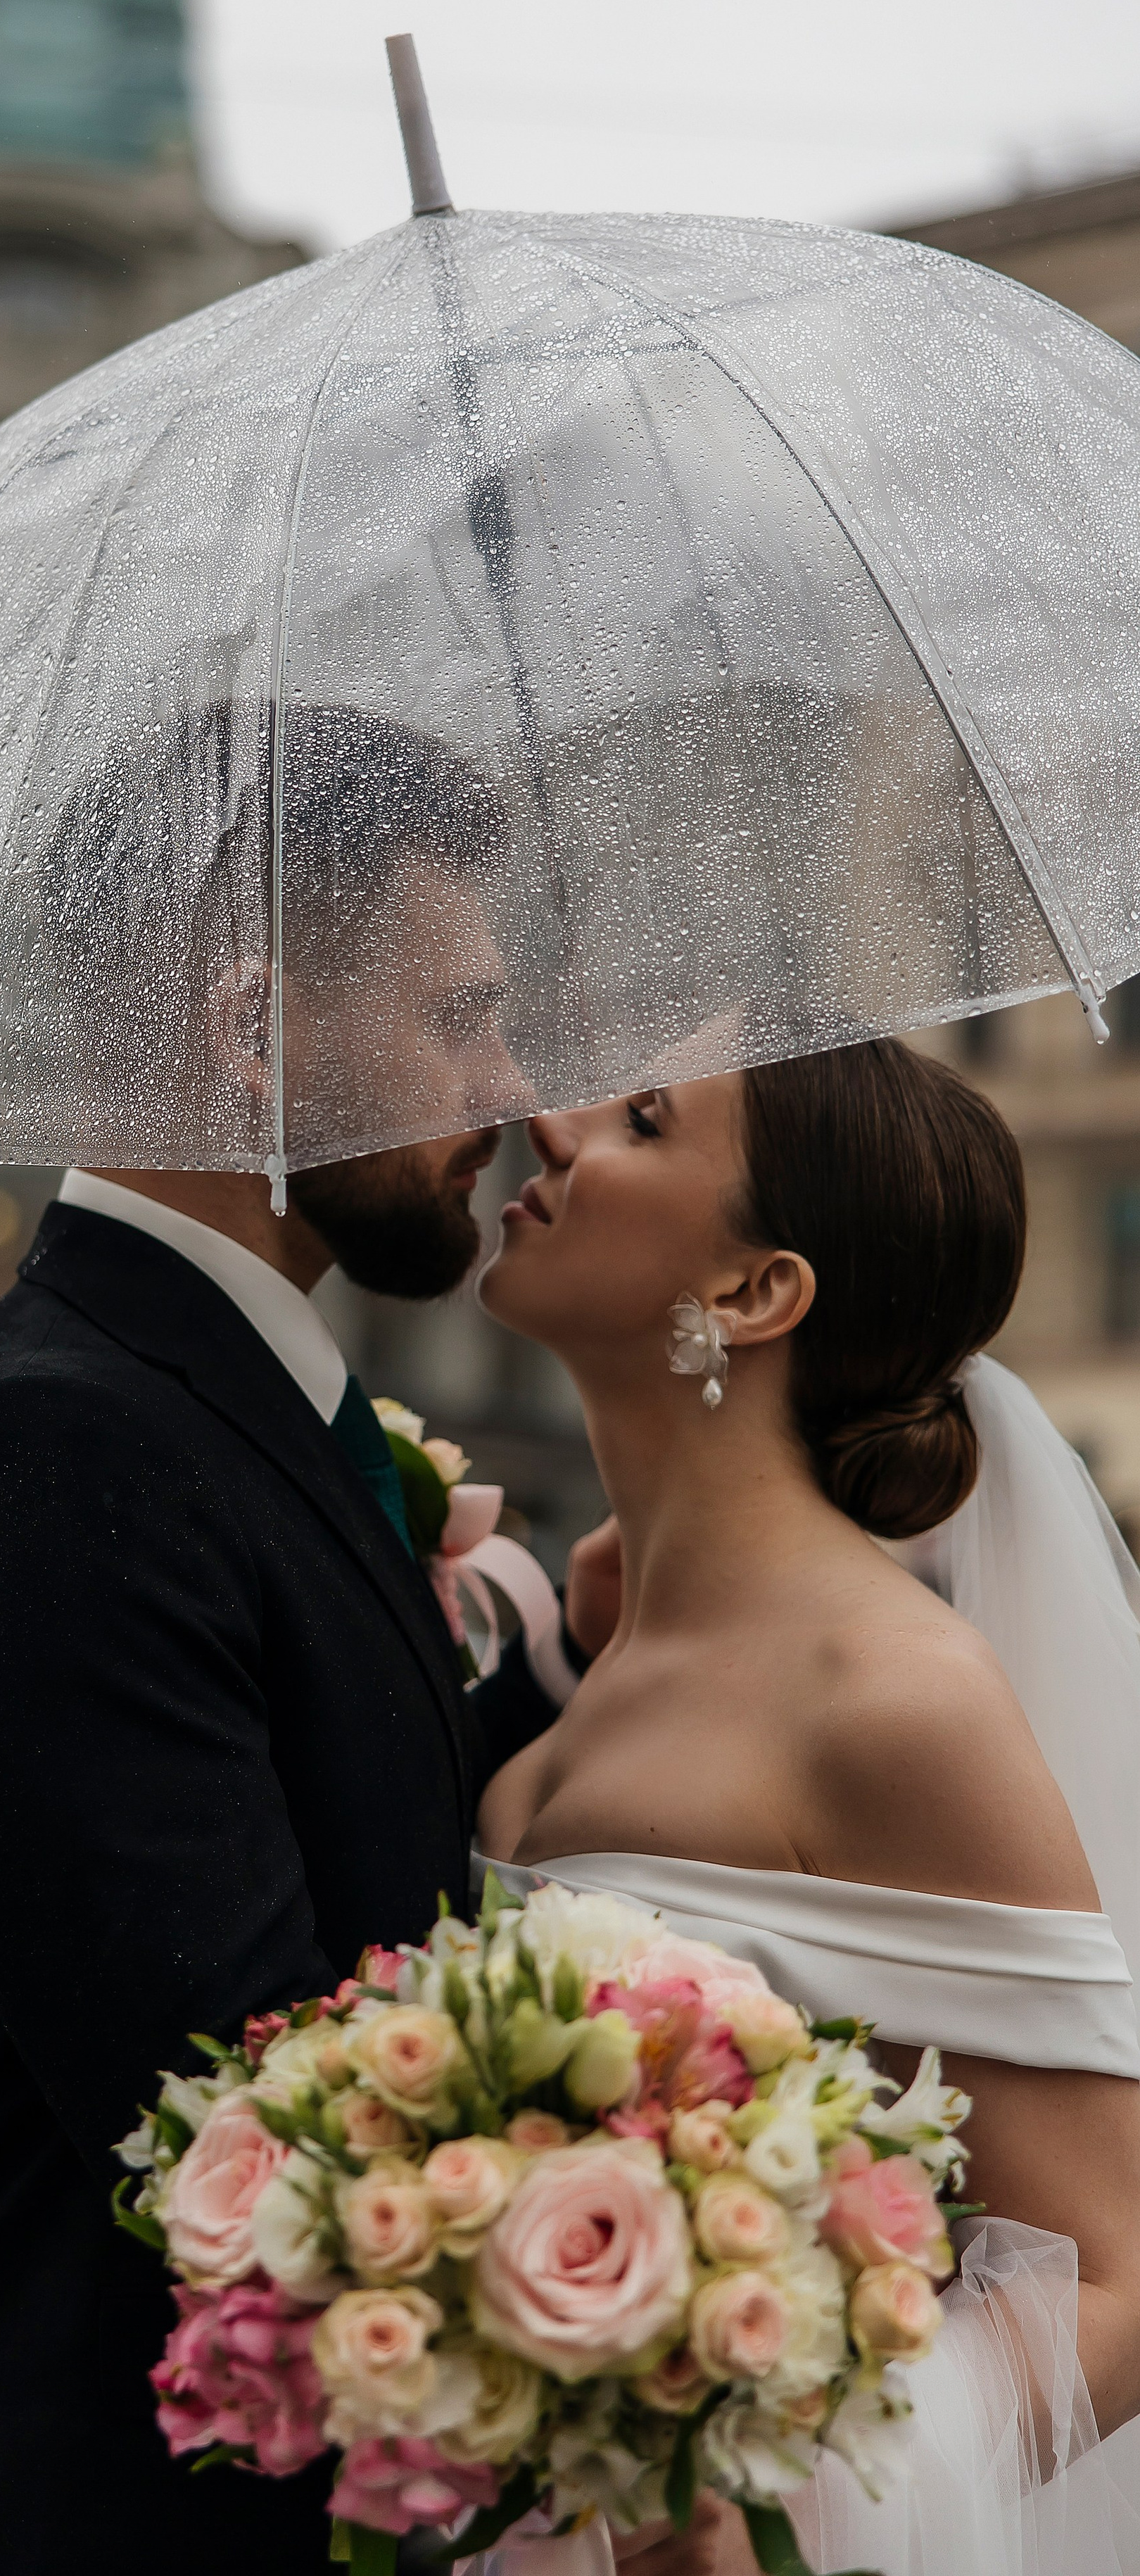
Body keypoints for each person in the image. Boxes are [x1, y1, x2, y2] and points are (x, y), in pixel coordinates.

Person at [0, 708, 573, 2576]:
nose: (511, 1081)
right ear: (256, 1032)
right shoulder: (42, 1456)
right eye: (459, 1017)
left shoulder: (201, 1419)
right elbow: (245, 2114)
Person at [472, 1039, 1140, 2575]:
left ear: (757, 1294)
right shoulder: (591, 1671)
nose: (546, 1119)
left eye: (637, 1121)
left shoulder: (890, 1696)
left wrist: (770, 2493)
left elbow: (1111, 2282)